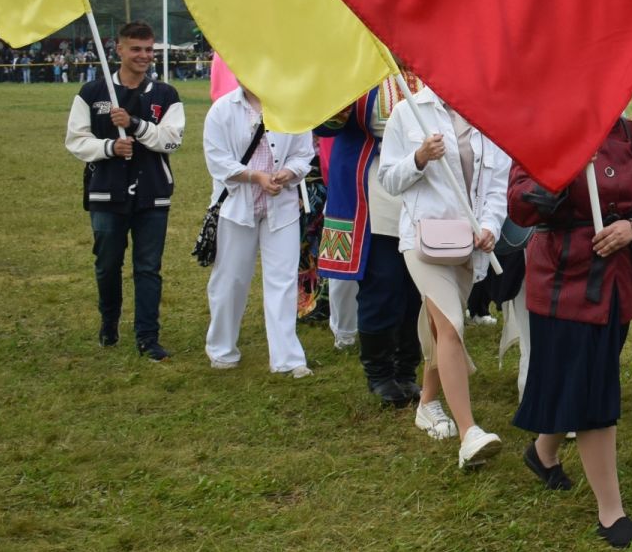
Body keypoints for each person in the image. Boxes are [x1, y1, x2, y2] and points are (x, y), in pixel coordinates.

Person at [510, 115, 632, 549]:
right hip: (563, 282)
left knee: (583, 377)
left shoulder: (630, 134)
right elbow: (519, 203)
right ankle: (611, 511)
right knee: (594, 390)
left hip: (617, 282)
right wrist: (559, 175)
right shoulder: (543, 130)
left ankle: (542, 454)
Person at [377, 81, 509, 467]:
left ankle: (428, 402)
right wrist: (419, 157)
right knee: (452, 326)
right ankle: (470, 433)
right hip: (424, 242)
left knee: (439, 330)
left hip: (469, 246)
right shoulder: (408, 111)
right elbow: (389, 180)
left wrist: (490, 227)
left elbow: (496, 187)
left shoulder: (488, 113)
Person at [63, 22, 184, 359]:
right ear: (118, 49)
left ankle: (148, 337)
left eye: (149, 49)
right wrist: (108, 148)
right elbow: (75, 140)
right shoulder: (92, 93)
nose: (144, 56)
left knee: (148, 268)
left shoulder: (166, 95)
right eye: (136, 49)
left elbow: (171, 140)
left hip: (153, 193)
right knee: (107, 264)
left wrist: (136, 125)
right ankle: (109, 322)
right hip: (106, 192)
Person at [315, 81, 427, 409]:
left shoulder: (425, 67)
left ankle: (407, 369)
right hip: (373, 191)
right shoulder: (360, 69)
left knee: (417, 287)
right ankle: (379, 372)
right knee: (383, 282)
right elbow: (325, 124)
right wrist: (342, 101)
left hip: (423, 188)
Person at [201, 83, 317, 376]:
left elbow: (304, 153)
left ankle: (287, 358)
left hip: (282, 207)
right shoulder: (223, 110)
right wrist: (256, 177)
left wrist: (288, 173)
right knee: (230, 280)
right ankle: (222, 349)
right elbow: (217, 160)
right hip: (237, 207)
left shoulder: (291, 105)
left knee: (283, 280)